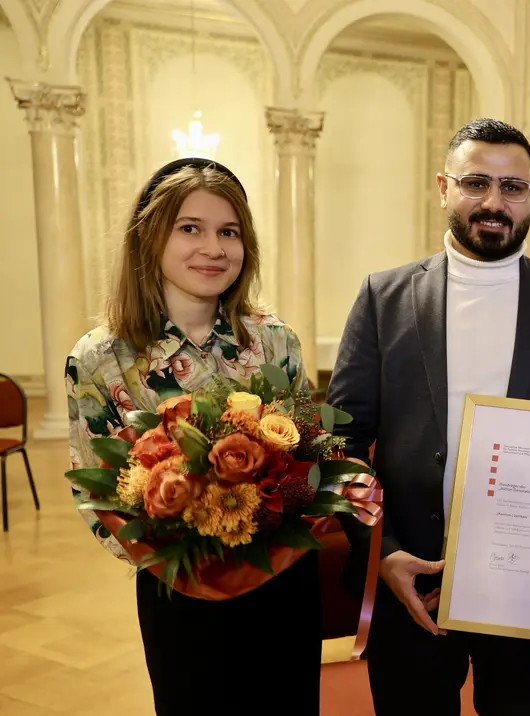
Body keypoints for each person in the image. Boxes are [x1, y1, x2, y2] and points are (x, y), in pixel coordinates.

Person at [327, 118, 530, 716]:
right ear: (444, 187)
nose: (494, 203)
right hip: (410, 577)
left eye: (513, 187)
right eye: (475, 183)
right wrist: (382, 550)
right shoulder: (383, 298)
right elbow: (339, 444)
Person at [66, 158, 319, 715]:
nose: (214, 247)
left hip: (283, 587)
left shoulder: (274, 341)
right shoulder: (102, 357)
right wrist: (176, 555)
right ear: (149, 238)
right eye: (191, 228)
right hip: (179, 587)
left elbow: (309, 451)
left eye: (228, 231)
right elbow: (96, 492)